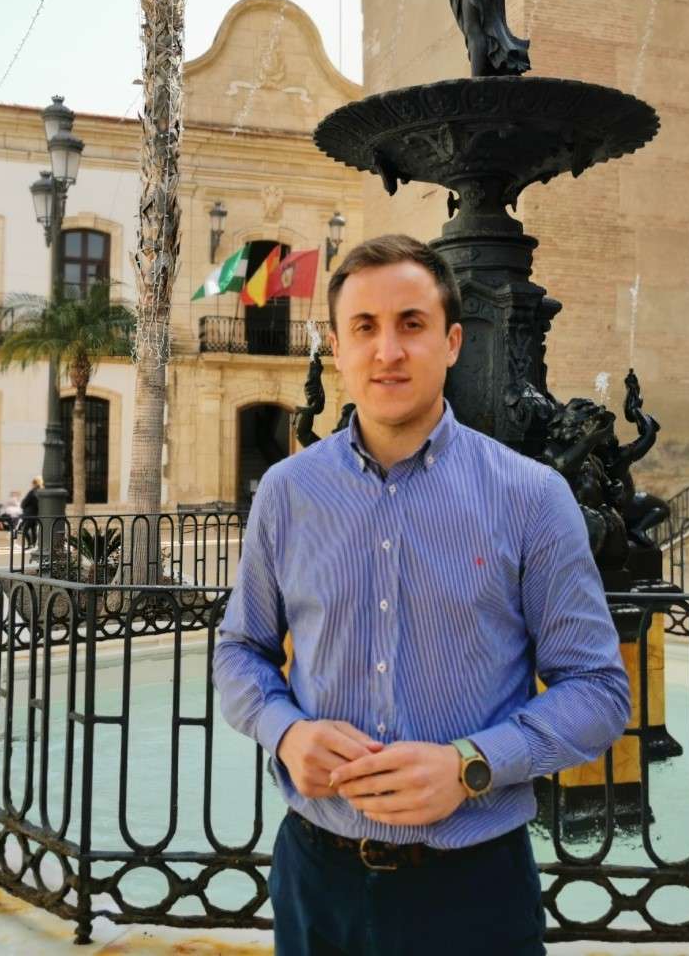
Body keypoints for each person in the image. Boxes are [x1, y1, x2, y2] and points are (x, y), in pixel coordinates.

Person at [212, 234, 630, 955]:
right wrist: (285, 731)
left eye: (412, 324)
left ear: (452, 341)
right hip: (317, 879)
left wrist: (472, 765)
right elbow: (239, 650)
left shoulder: (532, 497)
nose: (388, 352)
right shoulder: (287, 493)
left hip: (473, 890)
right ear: (337, 347)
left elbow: (598, 690)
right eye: (364, 328)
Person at [19, 476, 43, 547]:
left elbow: (24, 502)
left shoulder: (32, 492)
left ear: (34, 483)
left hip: (29, 514)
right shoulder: (41, 491)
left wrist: (23, 506)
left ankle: (30, 544)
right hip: (36, 514)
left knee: (24, 529)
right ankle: (33, 544)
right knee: (33, 530)